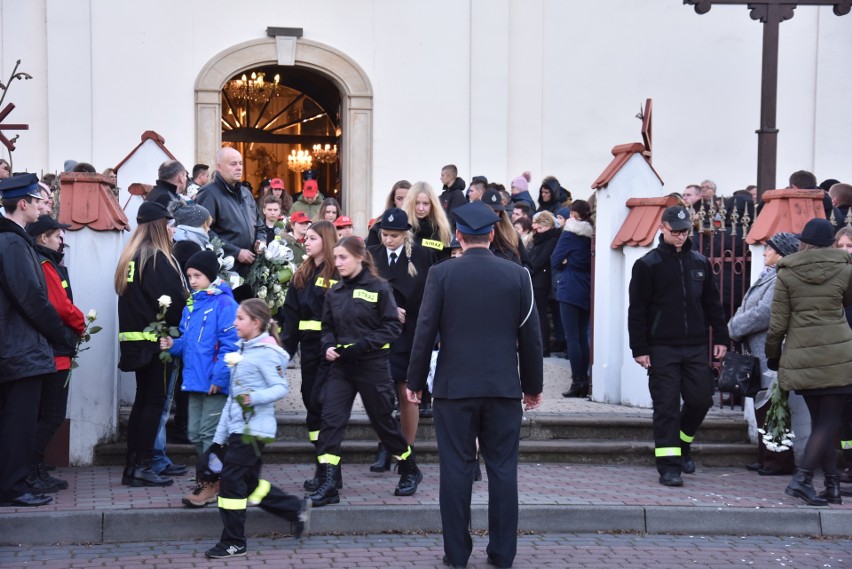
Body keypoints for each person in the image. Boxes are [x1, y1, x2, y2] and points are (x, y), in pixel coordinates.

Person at [406, 200, 543, 569]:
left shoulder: (442, 274)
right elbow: (531, 337)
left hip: (455, 387)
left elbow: (425, 331)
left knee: (455, 468)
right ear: (493, 233)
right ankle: (502, 553)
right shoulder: (518, 276)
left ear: (460, 236)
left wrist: (416, 381)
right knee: (502, 469)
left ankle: (457, 553)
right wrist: (532, 386)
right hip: (502, 386)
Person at [306, 236, 422, 507]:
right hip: (341, 368)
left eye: (343, 257)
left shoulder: (380, 287)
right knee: (330, 422)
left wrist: (362, 346)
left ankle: (409, 468)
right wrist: (328, 346)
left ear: (360, 257)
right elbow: (327, 327)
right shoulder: (335, 291)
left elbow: (392, 326)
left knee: (384, 423)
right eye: (336, 258)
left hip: (372, 366)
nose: (338, 263)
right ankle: (329, 482)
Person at [627, 205, 729, 487]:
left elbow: (712, 304)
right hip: (661, 347)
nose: (681, 237)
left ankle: (682, 445)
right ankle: (669, 466)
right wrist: (640, 348)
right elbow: (637, 311)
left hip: (695, 345)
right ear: (662, 228)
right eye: (675, 232)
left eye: (685, 232)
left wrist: (720, 337)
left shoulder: (700, 263)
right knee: (666, 407)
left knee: (701, 399)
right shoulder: (648, 265)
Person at [204, 299, 310, 558]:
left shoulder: (267, 353)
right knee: (249, 483)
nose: (234, 322)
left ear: (256, 323)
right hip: (239, 428)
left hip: (254, 430)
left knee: (230, 480)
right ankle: (295, 509)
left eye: (240, 318)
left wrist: (254, 397)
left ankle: (234, 541)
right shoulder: (245, 350)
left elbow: (280, 387)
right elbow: (232, 399)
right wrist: (218, 439)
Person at [765, 218, 852, 506]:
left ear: (804, 242)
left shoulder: (787, 273)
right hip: (839, 354)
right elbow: (847, 302)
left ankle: (832, 486)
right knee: (829, 422)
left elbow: (777, 324)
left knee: (821, 423)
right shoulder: (846, 268)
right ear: (830, 243)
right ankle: (802, 479)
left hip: (802, 354)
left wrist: (773, 355)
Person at [0, 174, 67, 507]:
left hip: (18, 346)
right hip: (19, 348)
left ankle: (15, 481)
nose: (42, 206)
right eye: (36, 200)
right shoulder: (12, 242)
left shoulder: (15, 240)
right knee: (18, 422)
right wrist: (59, 331)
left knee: (17, 420)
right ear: (22, 204)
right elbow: (31, 298)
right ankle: (12, 486)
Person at [114, 201, 189, 487]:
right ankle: (143, 465)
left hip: (138, 342)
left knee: (143, 403)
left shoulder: (133, 256)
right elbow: (175, 303)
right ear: (160, 226)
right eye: (170, 226)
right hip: (158, 344)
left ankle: (135, 465)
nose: (172, 232)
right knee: (153, 405)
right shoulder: (157, 259)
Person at [160, 250, 239, 507]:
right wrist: (173, 344)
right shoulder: (192, 305)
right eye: (190, 276)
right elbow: (188, 342)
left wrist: (221, 375)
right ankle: (215, 478)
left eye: (198, 275)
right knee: (195, 433)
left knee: (209, 434)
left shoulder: (226, 305)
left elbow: (231, 343)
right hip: (194, 381)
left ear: (211, 275)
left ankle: (209, 483)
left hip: (215, 383)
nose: (192, 280)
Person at [368, 208, 436, 470]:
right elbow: (362, 292)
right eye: (385, 234)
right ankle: (384, 446)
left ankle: (406, 450)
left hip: (409, 334)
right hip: (379, 333)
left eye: (394, 236)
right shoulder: (371, 255)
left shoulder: (421, 255)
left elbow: (428, 296)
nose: (388, 240)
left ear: (405, 234)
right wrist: (388, 309)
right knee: (380, 394)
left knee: (407, 393)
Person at [728, 232, 799, 476]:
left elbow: (765, 312)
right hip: (757, 349)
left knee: (773, 405)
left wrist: (735, 327)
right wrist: (737, 322)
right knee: (762, 404)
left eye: (769, 248)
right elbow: (747, 305)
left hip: (772, 350)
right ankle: (765, 456)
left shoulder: (781, 277)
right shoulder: (767, 275)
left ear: (781, 252)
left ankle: (778, 461)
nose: (764, 251)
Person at [25, 215, 85, 495]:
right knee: (52, 415)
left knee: (43, 414)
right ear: (43, 238)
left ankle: (34, 467)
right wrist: (81, 322)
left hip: (51, 349)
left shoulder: (42, 261)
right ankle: (29, 468)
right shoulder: (46, 264)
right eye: (58, 235)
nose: (62, 240)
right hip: (54, 351)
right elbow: (60, 307)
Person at [278, 221, 339, 492]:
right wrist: (281, 356)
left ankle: (329, 472)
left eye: (312, 238)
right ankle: (324, 466)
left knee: (323, 407)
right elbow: (290, 319)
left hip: (332, 352)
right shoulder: (301, 273)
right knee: (311, 406)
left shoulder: (338, 271)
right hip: (310, 352)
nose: (306, 241)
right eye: (307, 237)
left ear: (325, 240)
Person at [195, 147, 265, 277]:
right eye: (233, 164)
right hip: (226, 271)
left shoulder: (246, 192)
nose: (239, 167)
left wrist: (261, 240)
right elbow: (203, 231)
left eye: (240, 163)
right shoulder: (209, 193)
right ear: (219, 167)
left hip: (252, 269)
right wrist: (235, 252)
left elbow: (260, 225)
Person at [551, 200, 594, 397]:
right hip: (586, 286)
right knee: (582, 337)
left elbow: (555, 260)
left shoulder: (569, 234)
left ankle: (578, 382)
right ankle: (585, 379)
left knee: (572, 337)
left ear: (574, 214)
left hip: (570, 285)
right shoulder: (590, 235)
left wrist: (566, 264)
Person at [527, 211, 560, 357]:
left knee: (541, 314)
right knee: (538, 314)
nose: (536, 229)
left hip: (541, 280)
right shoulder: (541, 238)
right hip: (536, 278)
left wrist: (529, 269)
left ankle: (544, 346)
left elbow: (541, 259)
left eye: (540, 227)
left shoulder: (551, 239)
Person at [402, 181, 453, 262]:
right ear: (410, 203)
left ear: (432, 205)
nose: (421, 208)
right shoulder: (401, 227)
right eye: (417, 203)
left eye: (425, 204)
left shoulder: (441, 228)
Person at [366, 180, 411, 247]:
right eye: (399, 198)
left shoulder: (422, 224)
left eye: (407, 198)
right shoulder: (379, 226)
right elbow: (370, 253)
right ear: (393, 200)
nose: (404, 202)